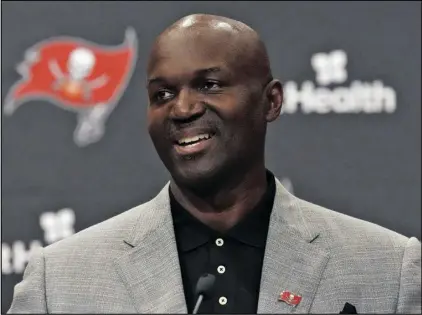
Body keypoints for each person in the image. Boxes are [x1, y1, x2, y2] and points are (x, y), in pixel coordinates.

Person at [8, 14, 421, 314]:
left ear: (271, 101)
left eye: (209, 85)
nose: (182, 108)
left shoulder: (387, 267)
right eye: (163, 94)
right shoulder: (59, 281)